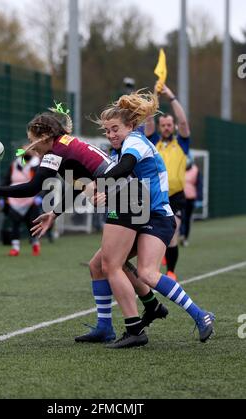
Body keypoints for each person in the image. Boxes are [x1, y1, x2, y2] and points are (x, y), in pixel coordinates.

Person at [0, 104, 168, 341]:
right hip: (127, 197)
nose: (33, 148)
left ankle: (140, 326)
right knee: (102, 265)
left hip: (126, 199)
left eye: (33, 141)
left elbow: (34, 187)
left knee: (112, 265)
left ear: (45, 137)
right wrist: (54, 213)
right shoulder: (67, 145)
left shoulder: (54, 152)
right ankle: (122, 320)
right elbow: (79, 184)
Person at [73, 90, 213, 349]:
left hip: (158, 217)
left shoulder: (135, 142)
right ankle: (117, 321)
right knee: (102, 263)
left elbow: (125, 169)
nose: (111, 135)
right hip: (141, 215)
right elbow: (121, 181)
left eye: (115, 129)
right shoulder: (120, 148)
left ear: (130, 126)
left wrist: (98, 184)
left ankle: (198, 314)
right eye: (107, 131)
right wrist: (97, 191)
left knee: (147, 272)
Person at [144, 82, 190, 281]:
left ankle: (171, 271)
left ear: (173, 127)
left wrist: (170, 96)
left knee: (172, 233)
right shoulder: (153, 141)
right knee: (150, 234)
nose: (166, 127)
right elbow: (148, 121)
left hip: (177, 196)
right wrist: (155, 95)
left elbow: (183, 121)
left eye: (169, 125)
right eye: (163, 125)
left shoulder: (181, 142)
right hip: (155, 195)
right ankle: (151, 266)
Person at [0, 148, 43, 256]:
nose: (26, 152)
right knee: (14, 223)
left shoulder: (37, 165)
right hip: (14, 199)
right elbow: (6, 180)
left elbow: (43, 182)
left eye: (29, 150)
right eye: (24, 151)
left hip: (31, 199)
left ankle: (35, 244)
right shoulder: (15, 164)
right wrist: (2, 197)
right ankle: (15, 248)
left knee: (32, 224)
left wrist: (40, 196)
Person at [180, 153, 203, 247]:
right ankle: (180, 234)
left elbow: (199, 185)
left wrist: (199, 199)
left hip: (191, 198)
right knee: (181, 217)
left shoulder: (195, 170)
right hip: (180, 198)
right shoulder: (179, 168)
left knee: (188, 218)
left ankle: (185, 237)